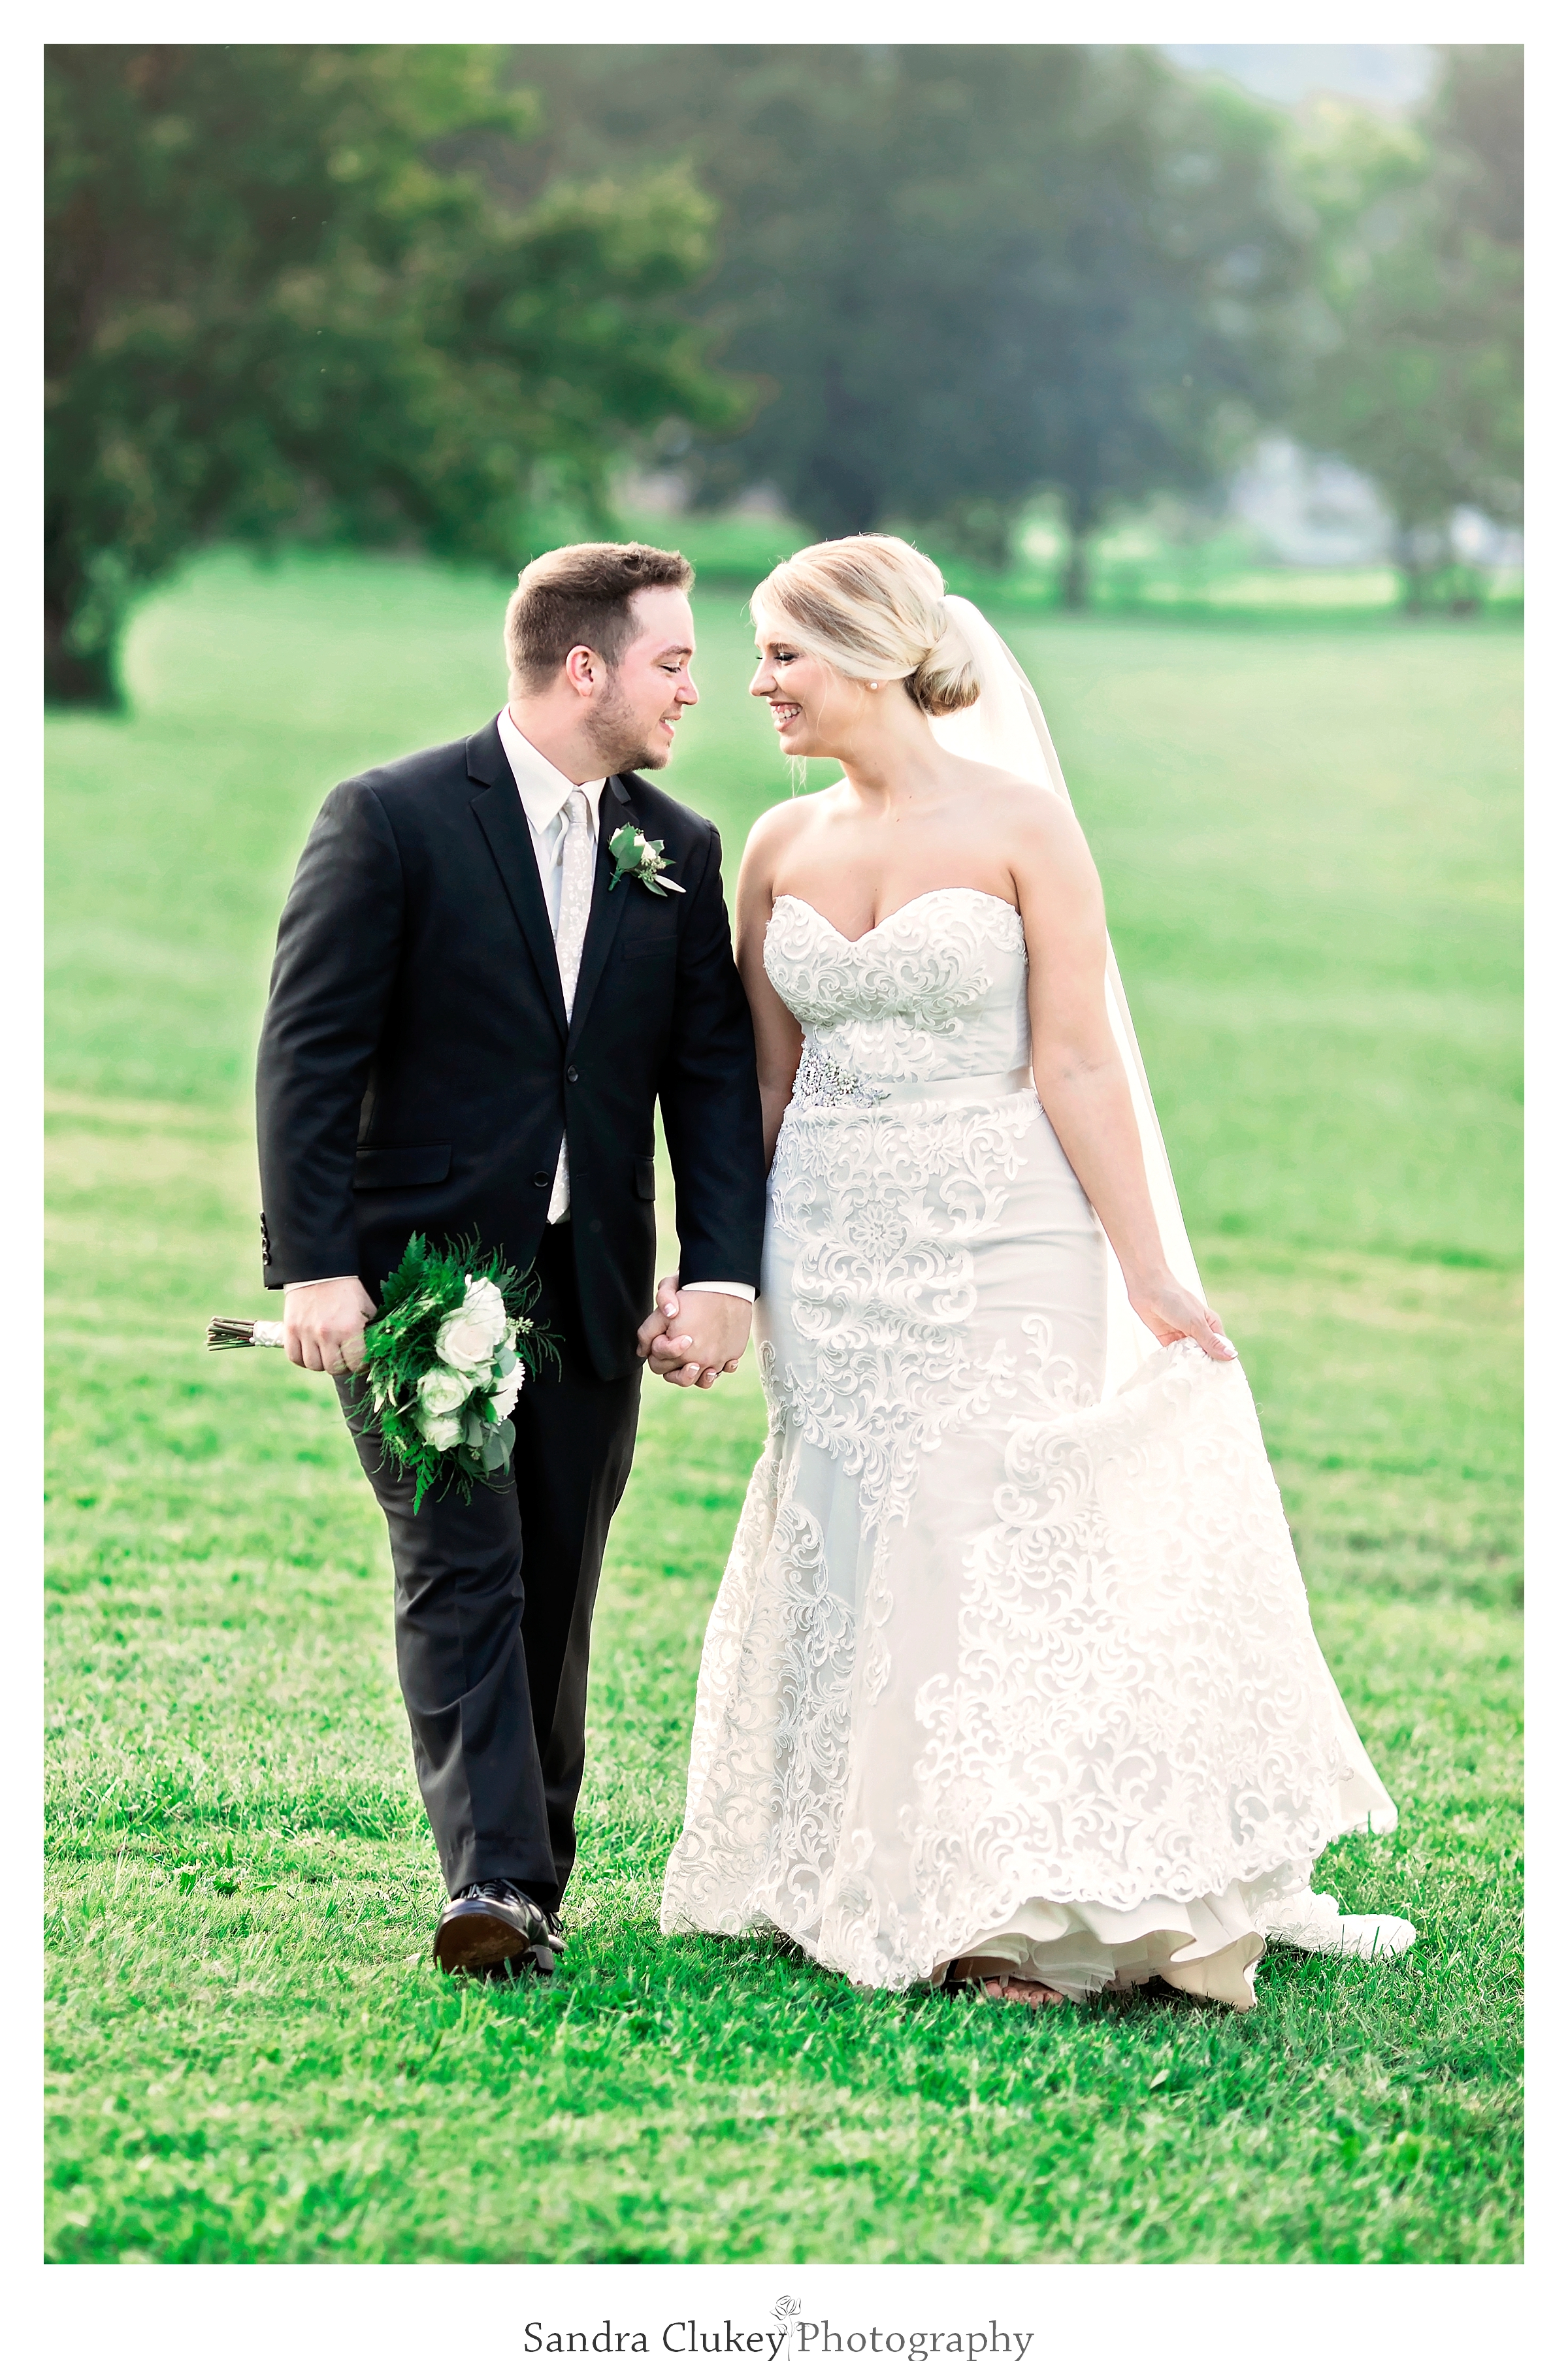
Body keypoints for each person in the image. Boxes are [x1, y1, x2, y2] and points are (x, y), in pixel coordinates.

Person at [653, 534, 1416, 2010]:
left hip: (1008, 1235)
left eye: (782, 656)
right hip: (833, 1243)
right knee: (857, 1522)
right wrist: (721, 1269)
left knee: (972, 1530)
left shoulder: (1024, 829)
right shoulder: (777, 848)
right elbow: (759, 1088)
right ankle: (862, 1864)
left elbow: (1074, 1057)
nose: (758, 687)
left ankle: (999, 1900)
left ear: (873, 651)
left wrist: (1148, 1268)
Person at [255, 542, 764, 1979]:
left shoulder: (676, 847)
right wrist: (316, 1266)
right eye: (673, 660)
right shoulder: (394, 818)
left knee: (557, 1576)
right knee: (460, 1562)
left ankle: (525, 1867)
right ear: (584, 667)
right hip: (417, 1283)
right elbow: (309, 1053)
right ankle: (491, 1881)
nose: (694, 689)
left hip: (594, 1285)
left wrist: (723, 1269)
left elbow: (709, 1082)